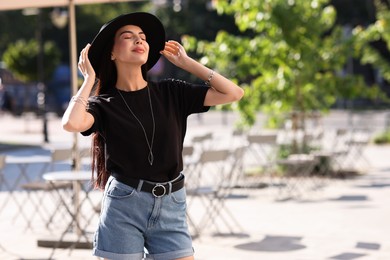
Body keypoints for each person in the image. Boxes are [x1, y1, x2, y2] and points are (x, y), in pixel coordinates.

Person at [62, 12, 244, 260]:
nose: (139, 41)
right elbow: (72, 123)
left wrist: (188, 63)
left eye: (143, 37)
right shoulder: (103, 104)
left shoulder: (172, 92)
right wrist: (89, 80)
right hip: (125, 204)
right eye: (129, 37)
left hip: (172, 203)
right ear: (112, 53)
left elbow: (233, 93)